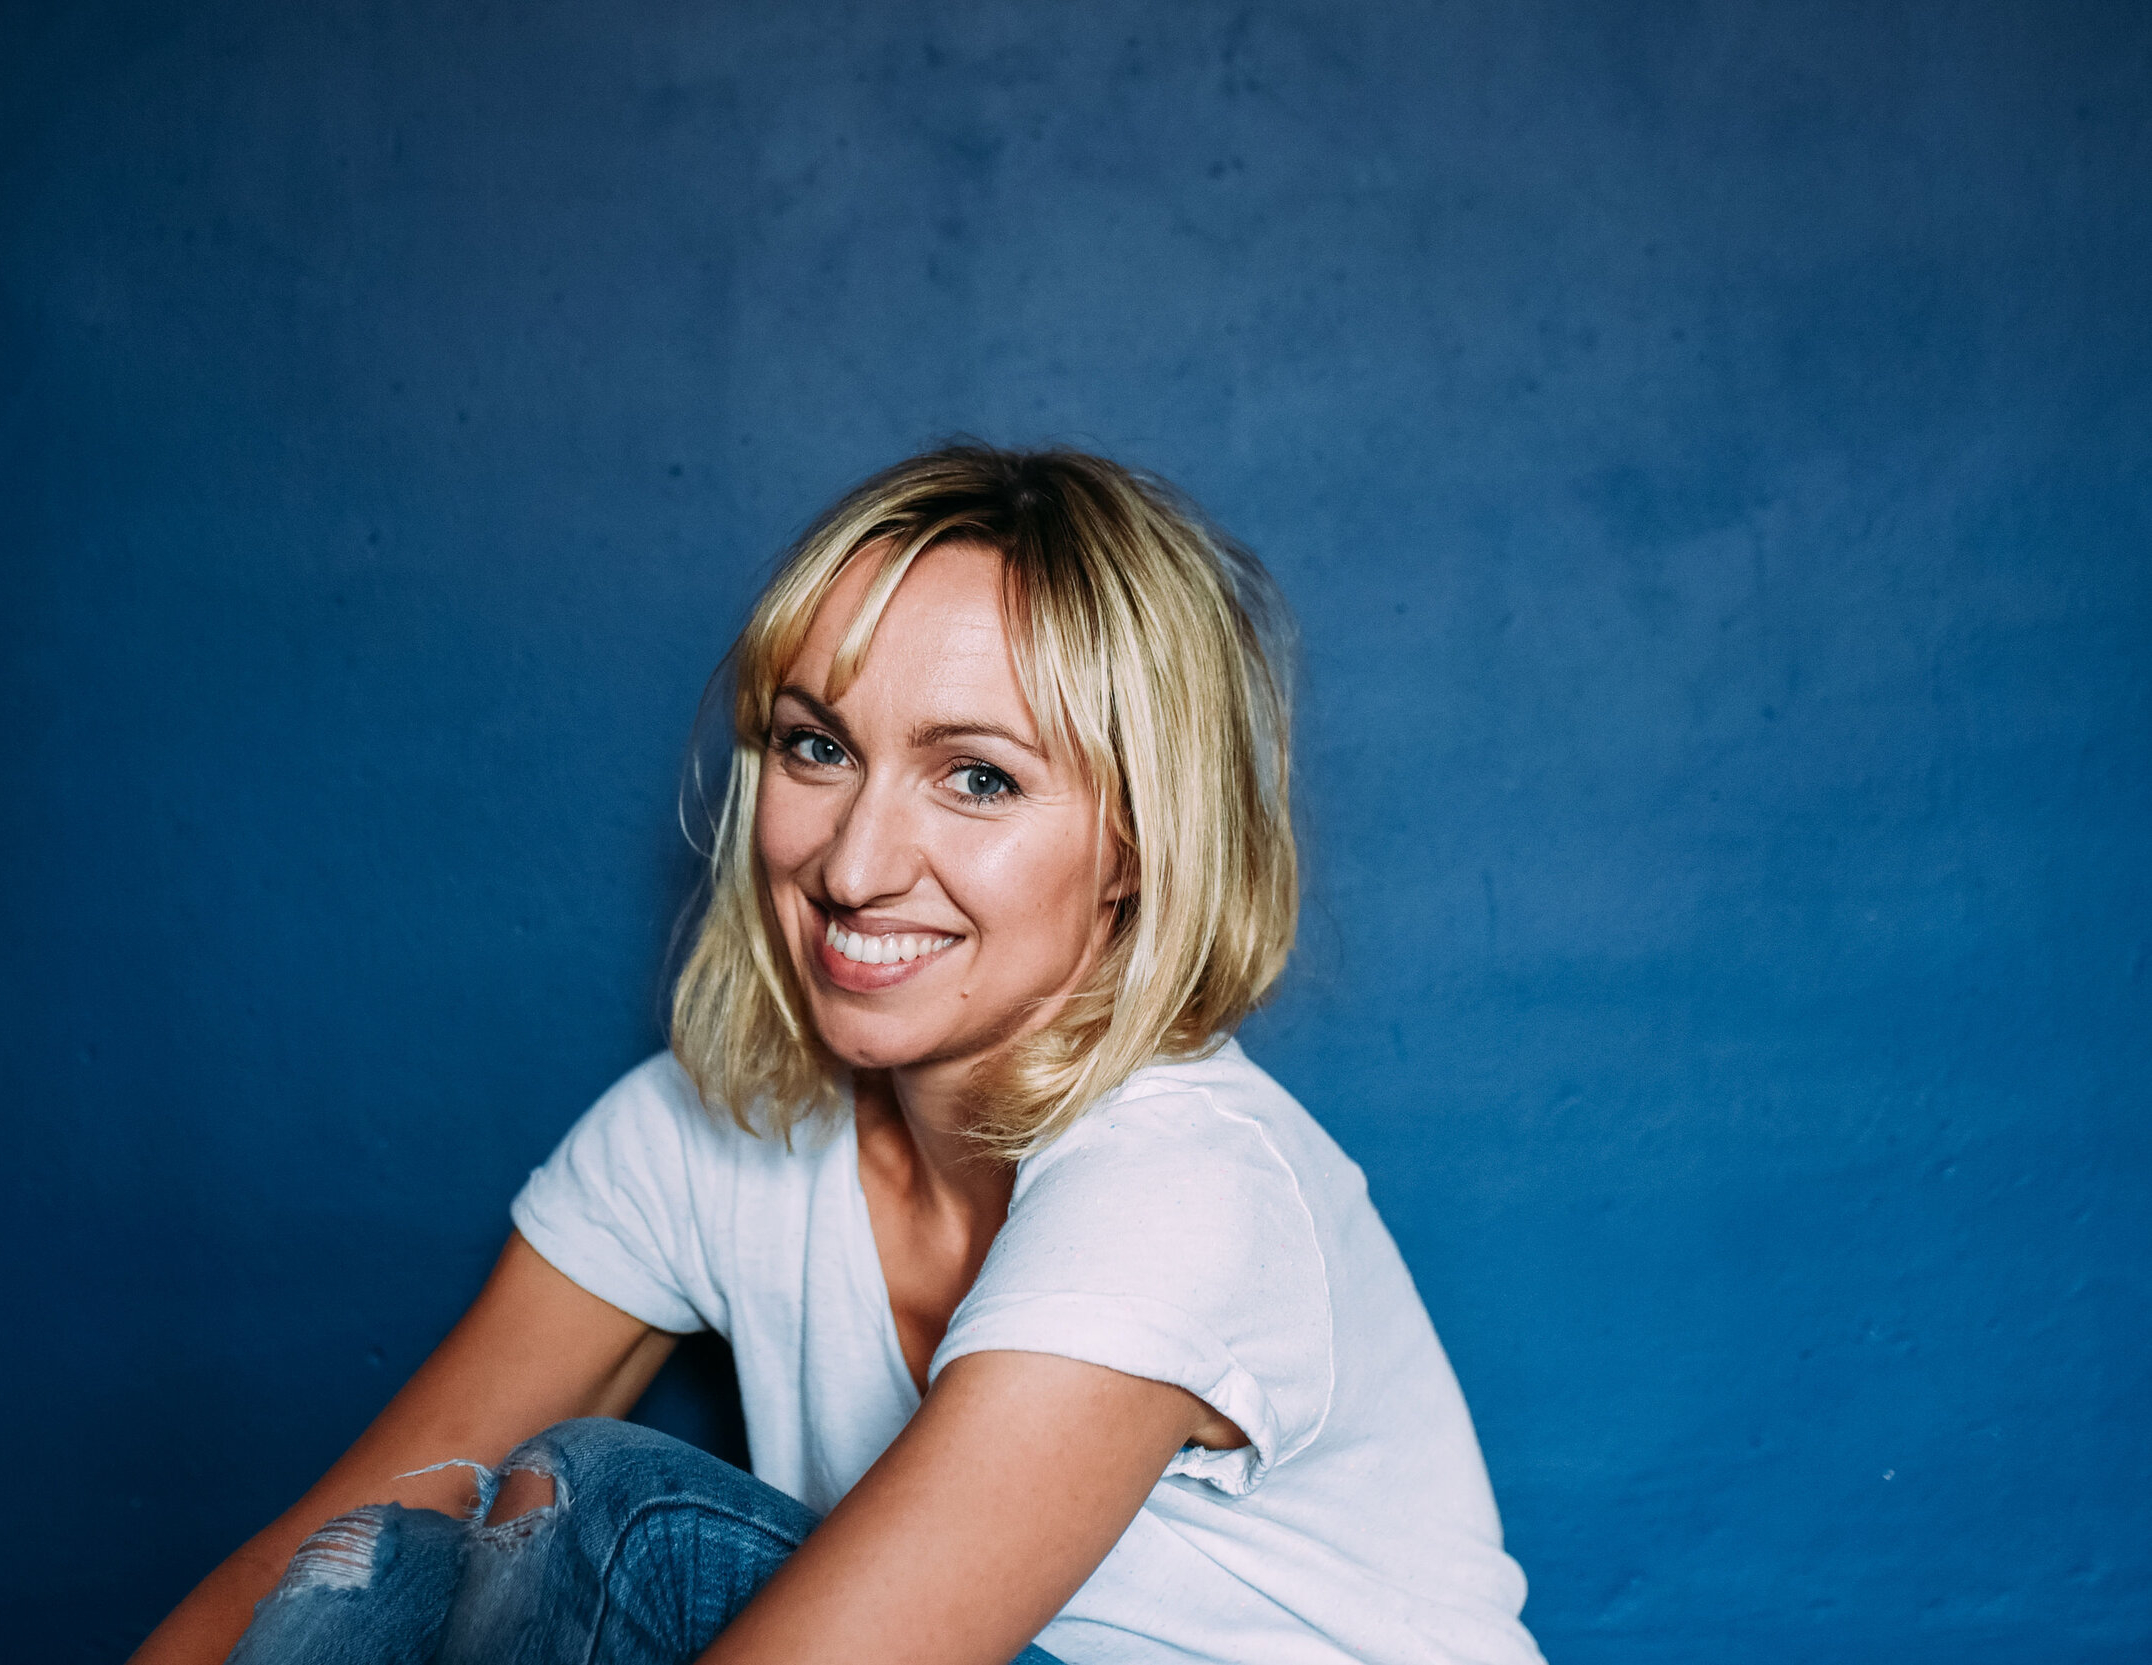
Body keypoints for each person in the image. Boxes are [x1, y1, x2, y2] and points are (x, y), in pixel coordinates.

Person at [131, 444, 1544, 1665]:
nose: (856, 862)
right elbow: (322, 1549)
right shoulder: (706, 1130)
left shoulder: (1185, 1180)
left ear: (1134, 846)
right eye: (817, 749)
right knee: (378, 1571)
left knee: (610, 1512)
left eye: (977, 776)